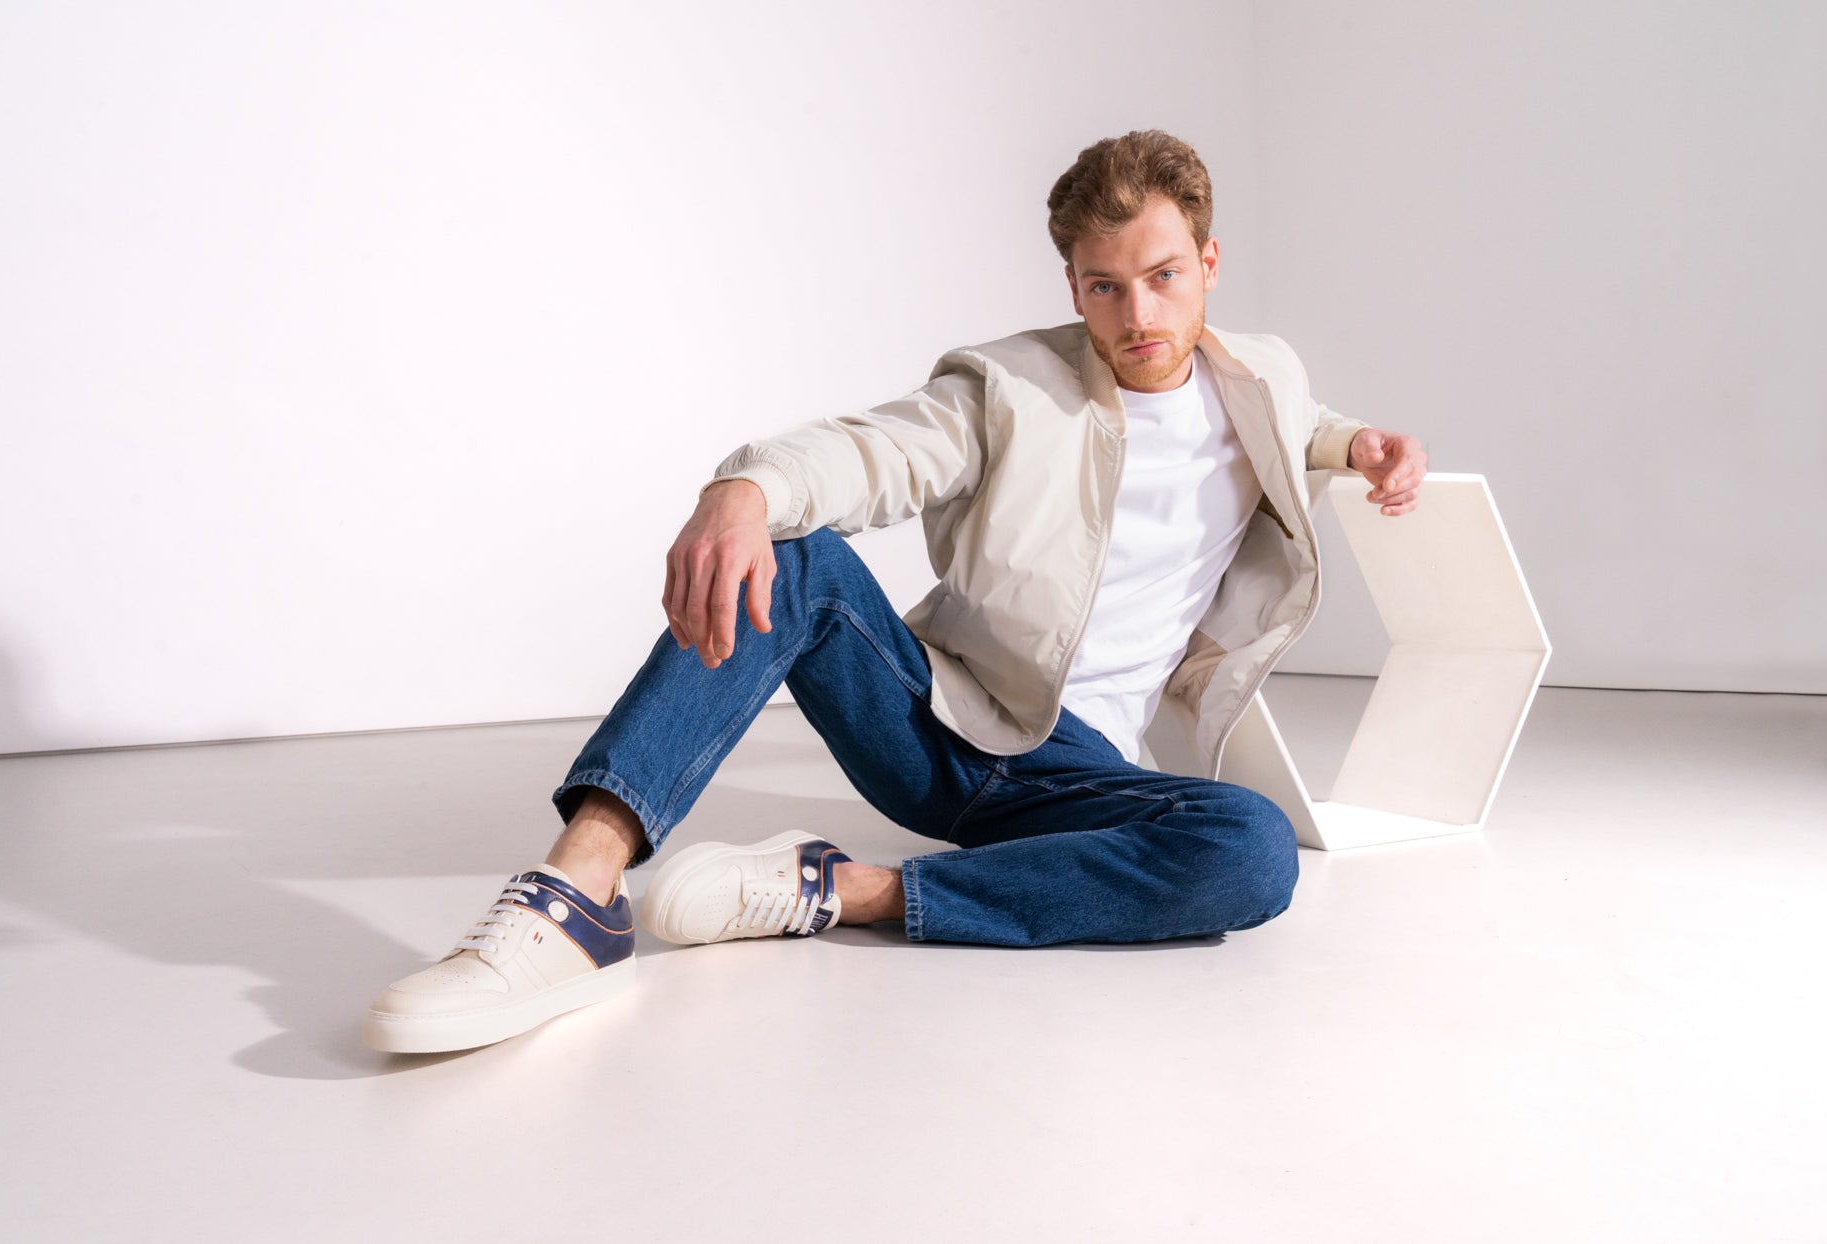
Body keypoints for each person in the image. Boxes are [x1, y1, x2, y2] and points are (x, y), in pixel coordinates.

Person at [362, 129, 1427, 1054]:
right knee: (793, 554)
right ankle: (576, 898)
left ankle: (843, 888)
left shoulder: (1266, 377)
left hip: (1081, 781)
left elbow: (1296, 424)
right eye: (1104, 285)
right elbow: (874, 451)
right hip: (942, 727)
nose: (1137, 313)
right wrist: (746, 486)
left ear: (1209, 263)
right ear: (1072, 288)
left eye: (1163, 276)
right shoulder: (1009, 387)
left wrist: (1360, 445)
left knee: (1251, 849)